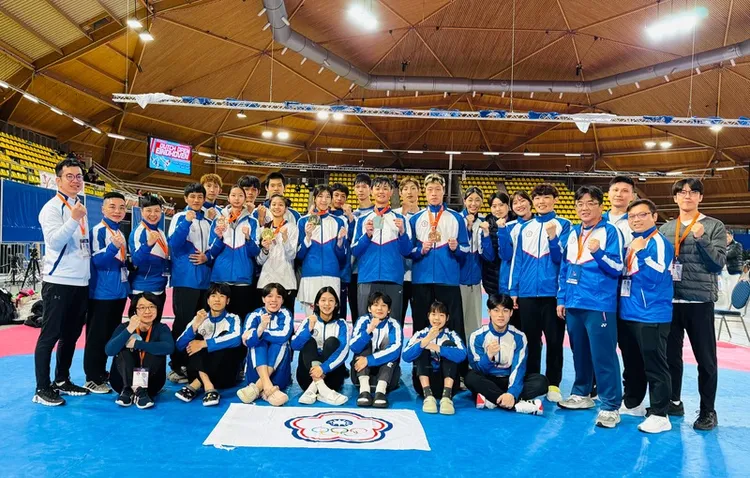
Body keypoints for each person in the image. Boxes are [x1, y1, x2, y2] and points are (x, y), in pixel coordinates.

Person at [659, 178, 726, 431]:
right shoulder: (666, 229)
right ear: (675, 197)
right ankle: (673, 401)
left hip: (699, 301)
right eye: (682, 192)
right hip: (670, 301)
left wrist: (701, 239)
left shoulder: (713, 226)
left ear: (700, 197)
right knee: (670, 358)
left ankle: (708, 411)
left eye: (693, 192)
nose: (687, 196)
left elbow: (717, 264)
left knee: (705, 360)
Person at [557, 186, 624, 429]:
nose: (584, 208)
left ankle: (610, 406)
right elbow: (565, 267)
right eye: (580, 204)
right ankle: (581, 393)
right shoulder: (573, 232)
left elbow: (617, 268)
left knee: (603, 355)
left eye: (590, 203)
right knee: (580, 352)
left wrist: (598, 252)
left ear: (600, 206)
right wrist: (561, 298)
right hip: (574, 301)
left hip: (599, 303)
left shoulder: (610, 231)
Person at [33, 157, 91, 406]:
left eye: (79, 176)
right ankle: (41, 387)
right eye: (70, 176)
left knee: (71, 335)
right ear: (58, 180)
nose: (75, 180)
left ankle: (62, 379)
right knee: (50, 335)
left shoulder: (79, 206)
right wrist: (73, 219)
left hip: (80, 282)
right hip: (58, 281)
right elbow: (54, 242)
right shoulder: (52, 208)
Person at [508, 183, 571, 403]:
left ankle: (553, 383)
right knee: (531, 342)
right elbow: (517, 262)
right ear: (533, 202)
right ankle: (533, 381)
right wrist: (514, 290)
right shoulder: (525, 228)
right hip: (527, 294)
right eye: (537, 198)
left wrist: (553, 238)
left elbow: (562, 260)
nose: (541, 202)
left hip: (552, 294)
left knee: (554, 341)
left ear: (555, 200)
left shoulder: (564, 225)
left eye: (546, 197)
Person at [618, 200, 674, 434]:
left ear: (654, 216)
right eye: (632, 216)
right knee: (632, 363)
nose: (636, 220)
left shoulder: (658, 242)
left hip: (651, 314)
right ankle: (633, 403)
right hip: (628, 312)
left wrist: (640, 252)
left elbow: (657, 275)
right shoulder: (632, 242)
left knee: (655, 365)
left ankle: (660, 414)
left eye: (642, 215)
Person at [409, 174, 469, 341]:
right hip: (422, 279)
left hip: (448, 278)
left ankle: (455, 357)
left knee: (453, 323)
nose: (434, 193)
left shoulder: (457, 218)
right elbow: (408, 250)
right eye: (430, 190)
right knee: (420, 323)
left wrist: (456, 248)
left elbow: (466, 249)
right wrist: (420, 250)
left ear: (444, 191)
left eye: (437, 189)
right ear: (425, 192)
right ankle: (421, 357)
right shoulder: (415, 219)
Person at [465, 293, 546, 415]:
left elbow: (519, 367)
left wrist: (512, 392)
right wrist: (488, 356)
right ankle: (517, 405)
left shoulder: (519, 337)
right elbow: (478, 369)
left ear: (511, 313)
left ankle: (493, 399)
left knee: (541, 382)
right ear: (489, 312)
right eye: (496, 310)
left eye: (505, 310)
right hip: (488, 380)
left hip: (509, 380)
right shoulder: (477, 336)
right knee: (470, 377)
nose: (500, 315)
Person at [84, 191, 131, 394]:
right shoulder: (98, 231)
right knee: (97, 336)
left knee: (110, 335)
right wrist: (113, 247)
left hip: (117, 293)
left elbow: (121, 264)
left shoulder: (119, 232)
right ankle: (92, 378)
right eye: (112, 207)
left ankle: (102, 373)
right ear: (103, 209)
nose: (117, 211)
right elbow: (97, 261)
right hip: (101, 293)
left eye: (121, 207)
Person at [167, 183, 214, 384]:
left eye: (199, 197)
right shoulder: (179, 217)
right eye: (192, 196)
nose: (196, 200)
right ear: (186, 198)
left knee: (201, 324)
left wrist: (207, 257)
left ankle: (195, 364)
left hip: (205, 280)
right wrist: (186, 222)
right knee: (183, 323)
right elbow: (174, 244)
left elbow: (213, 247)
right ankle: (177, 364)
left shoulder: (208, 221)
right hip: (185, 279)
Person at [352, 177, 412, 325]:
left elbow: (407, 251)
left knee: (393, 324)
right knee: (366, 324)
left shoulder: (401, 219)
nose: (381, 192)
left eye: (385, 188)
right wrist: (367, 236)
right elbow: (355, 251)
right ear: (372, 191)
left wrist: (402, 233)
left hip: (393, 278)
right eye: (378, 188)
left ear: (391, 192)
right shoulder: (362, 220)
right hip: (367, 277)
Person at [174, 283, 244, 406]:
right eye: (213, 296)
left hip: (224, 374)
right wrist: (195, 326)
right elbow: (179, 345)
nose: (217, 299)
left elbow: (237, 339)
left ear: (227, 301)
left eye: (222, 296)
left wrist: (204, 343)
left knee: (223, 341)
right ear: (207, 300)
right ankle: (208, 387)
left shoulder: (233, 318)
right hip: (197, 370)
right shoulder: (200, 317)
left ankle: (195, 385)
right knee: (195, 341)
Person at [105, 293, 174, 409]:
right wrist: (129, 329)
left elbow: (169, 347)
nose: (147, 311)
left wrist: (138, 344)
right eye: (142, 307)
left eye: (151, 306)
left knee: (156, 348)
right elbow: (109, 350)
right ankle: (129, 389)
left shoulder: (161, 328)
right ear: (135, 310)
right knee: (123, 348)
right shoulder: (125, 327)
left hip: (151, 385)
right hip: (121, 383)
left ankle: (141, 390)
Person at [403, 300, 466, 415]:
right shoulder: (420, 334)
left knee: (449, 346)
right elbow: (406, 356)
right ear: (428, 316)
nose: (437, 318)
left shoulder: (452, 335)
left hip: (448, 383)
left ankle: (447, 398)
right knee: (421, 347)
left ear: (447, 318)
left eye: (441, 315)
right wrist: (426, 341)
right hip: (422, 385)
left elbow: (462, 355)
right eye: (434, 314)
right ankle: (428, 396)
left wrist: (436, 347)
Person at [208, 185, 260, 321]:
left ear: (245, 198)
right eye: (233, 195)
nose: (237, 198)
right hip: (220, 277)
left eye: (240, 195)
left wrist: (248, 238)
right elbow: (212, 252)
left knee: (241, 318)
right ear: (228, 198)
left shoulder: (252, 222)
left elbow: (255, 251)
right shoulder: (218, 221)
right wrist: (219, 238)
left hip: (243, 278)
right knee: (218, 318)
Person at [237, 283, 294, 407]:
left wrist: (260, 331)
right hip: (254, 374)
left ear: (283, 300)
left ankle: (258, 388)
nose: (274, 300)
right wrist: (261, 327)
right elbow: (248, 342)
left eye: (278, 297)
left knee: (280, 343)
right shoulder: (254, 315)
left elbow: (284, 335)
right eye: (269, 296)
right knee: (257, 343)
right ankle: (268, 388)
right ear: (263, 299)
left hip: (279, 375)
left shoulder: (286, 314)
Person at [292, 287, 350, 406]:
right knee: (309, 341)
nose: (327, 304)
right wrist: (309, 329)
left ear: (336, 304)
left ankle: (314, 390)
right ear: (317, 303)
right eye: (323, 300)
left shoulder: (341, 324)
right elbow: (294, 345)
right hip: (307, 378)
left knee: (332, 342)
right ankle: (322, 390)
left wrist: (323, 368)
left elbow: (344, 351)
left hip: (332, 378)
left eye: (331, 300)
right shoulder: (308, 321)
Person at [297, 185, 347, 315]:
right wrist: (308, 237)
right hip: (310, 275)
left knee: (331, 316)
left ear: (331, 200)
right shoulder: (303, 221)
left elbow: (342, 258)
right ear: (314, 198)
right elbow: (299, 255)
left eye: (327, 197)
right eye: (320, 196)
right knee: (311, 318)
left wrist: (340, 243)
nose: (324, 200)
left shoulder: (339, 222)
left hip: (332, 274)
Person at [350, 291, 402, 408]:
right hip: (360, 373)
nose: (379, 308)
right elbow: (354, 346)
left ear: (389, 310)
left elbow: (396, 351)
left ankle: (380, 392)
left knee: (389, 351)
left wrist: (368, 360)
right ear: (369, 308)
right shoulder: (363, 321)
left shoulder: (394, 325)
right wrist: (369, 329)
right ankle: (364, 391)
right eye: (375, 305)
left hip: (387, 375)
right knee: (363, 345)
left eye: (384, 305)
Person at [459, 187, 494, 340]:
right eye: (470, 200)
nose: (473, 203)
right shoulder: (456, 220)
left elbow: (489, 256)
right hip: (456, 280)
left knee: (474, 324)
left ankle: (473, 352)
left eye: (477, 200)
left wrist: (486, 234)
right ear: (464, 201)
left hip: (475, 282)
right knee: (456, 321)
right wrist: (467, 228)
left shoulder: (483, 223)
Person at [128, 194, 168, 322]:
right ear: (141, 212)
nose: (153, 214)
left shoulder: (161, 232)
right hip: (142, 288)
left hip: (159, 287)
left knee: (155, 327)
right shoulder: (139, 232)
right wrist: (148, 244)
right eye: (149, 210)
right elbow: (136, 260)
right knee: (141, 328)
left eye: (157, 210)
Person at [257, 194, 298, 312]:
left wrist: (285, 239)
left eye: (281, 205)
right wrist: (265, 249)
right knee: (264, 317)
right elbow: (259, 261)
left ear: (286, 209)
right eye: (274, 204)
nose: (277, 207)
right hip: (266, 281)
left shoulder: (292, 228)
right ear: (269, 207)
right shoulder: (264, 229)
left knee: (286, 316)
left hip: (286, 281)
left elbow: (292, 255)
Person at [394, 177, 421, 320]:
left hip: (420, 275)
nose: (409, 192)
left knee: (420, 319)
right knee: (397, 317)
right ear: (400, 193)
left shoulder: (426, 215)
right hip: (398, 275)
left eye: (413, 188)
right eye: (405, 189)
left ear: (419, 191)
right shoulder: (392, 214)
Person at [349, 173, 375, 320]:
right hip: (353, 271)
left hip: (371, 270)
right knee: (357, 315)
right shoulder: (351, 215)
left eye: (364, 186)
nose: (361, 190)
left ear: (370, 189)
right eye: (358, 187)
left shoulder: (378, 214)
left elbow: (377, 238)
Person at [481, 192, 515, 296]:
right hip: (492, 279)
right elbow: (489, 256)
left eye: (501, 205)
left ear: (508, 206)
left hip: (512, 278)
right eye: (494, 206)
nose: (498, 209)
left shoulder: (516, 224)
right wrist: (486, 234)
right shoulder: (486, 225)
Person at [330, 183, 355, 320]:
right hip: (326, 269)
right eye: (336, 195)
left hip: (343, 270)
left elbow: (352, 238)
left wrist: (350, 217)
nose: (339, 199)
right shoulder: (321, 215)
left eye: (343, 196)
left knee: (341, 308)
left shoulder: (348, 218)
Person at [604, 175, 636, 247]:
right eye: (615, 190)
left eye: (625, 191)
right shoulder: (598, 220)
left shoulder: (636, 222)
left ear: (632, 196)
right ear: (608, 194)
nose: (619, 194)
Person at [721, 230, 743, 307]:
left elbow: (729, 254)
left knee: (732, 290)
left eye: (727, 237)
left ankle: (732, 307)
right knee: (724, 291)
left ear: (731, 236)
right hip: (723, 272)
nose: (725, 239)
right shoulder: (723, 246)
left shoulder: (737, 245)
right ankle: (727, 306)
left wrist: (720, 254)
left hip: (734, 271)